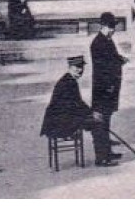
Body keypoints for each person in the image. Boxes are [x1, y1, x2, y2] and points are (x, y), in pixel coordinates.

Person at [41, 56, 100, 158]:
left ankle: (103, 151)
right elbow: (75, 104)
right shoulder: (69, 82)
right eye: (76, 67)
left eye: (81, 67)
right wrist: (91, 114)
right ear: (70, 67)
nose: (80, 70)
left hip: (59, 118)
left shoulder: (68, 79)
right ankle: (102, 156)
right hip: (58, 122)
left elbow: (77, 103)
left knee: (94, 120)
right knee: (97, 123)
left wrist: (90, 113)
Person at [89, 12, 128, 166]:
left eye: (114, 27)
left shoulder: (107, 41)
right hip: (103, 89)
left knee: (107, 120)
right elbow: (102, 68)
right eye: (111, 27)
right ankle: (101, 158)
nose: (113, 30)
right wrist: (110, 86)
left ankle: (107, 152)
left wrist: (120, 59)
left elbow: (113, 58)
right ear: (103, 26)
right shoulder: (98, 43)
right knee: (100, 122)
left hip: (110, 88)